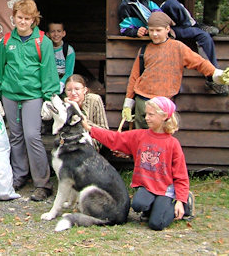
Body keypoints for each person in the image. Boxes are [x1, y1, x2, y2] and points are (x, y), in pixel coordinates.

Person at [82, 96, 194, 231]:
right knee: (138, 205)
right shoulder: (139, 136)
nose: (146, 118)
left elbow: (181, 175)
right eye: (146, 114)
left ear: (164, 116)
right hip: (148, 186)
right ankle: (154, 208)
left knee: (156, 225)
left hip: (166, 190)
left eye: (151, 115)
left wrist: (180, 201)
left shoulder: (173, 144)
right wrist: (90, 129)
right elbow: (115, 139)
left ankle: (186, 202)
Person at [0, 0, 59, 201]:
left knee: (32, 136)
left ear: (33, 20)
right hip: (10, 93)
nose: (23, 22)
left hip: (33, 95)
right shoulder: (6, 41)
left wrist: (49, 97)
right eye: (19, 17)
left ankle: (43, 183)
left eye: (27, 18)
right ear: (14, 17)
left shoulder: (43, 42)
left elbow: (48, 70)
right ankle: (19, 176)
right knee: (16, 136)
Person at [122, 11, 229, 129]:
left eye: (158, 30)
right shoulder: (144, 50)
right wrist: (128, 103)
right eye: (151, 30)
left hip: (164, 104)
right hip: (142, 102)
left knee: (161, 140)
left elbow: (200, 63)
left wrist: (216, 73)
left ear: (167, 29)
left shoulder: (178, 47)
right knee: (141, 141)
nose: (154, 34)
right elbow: (134, 77)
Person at [118, 0, 220, 75]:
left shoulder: (144, 0)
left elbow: (157, 12)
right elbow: (124, 29)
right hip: (160, 31)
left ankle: (215, 74)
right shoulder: (125, 7)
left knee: (172, 3)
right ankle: (212, 76)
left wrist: (164, 20)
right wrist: (136, 31)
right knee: (201, 34)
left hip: (165, 24)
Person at [63, 74, 108, 151]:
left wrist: (79, 115)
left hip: (91, 140)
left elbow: (104, 131)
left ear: (85, 90)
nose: (73, 93)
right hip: (70, 142)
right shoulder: (65, 105)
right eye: (69, 90)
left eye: (77, 89)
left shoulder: (94, 100)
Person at [47, 21, 75, 94]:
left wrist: (61, 84)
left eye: (59, 31)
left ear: (63, 33)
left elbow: (69, 73)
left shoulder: (68, 50)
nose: (56, 34)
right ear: (47, 34)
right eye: (52, 31)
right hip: (48, 83)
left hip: (63, 82)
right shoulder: (45, 49)